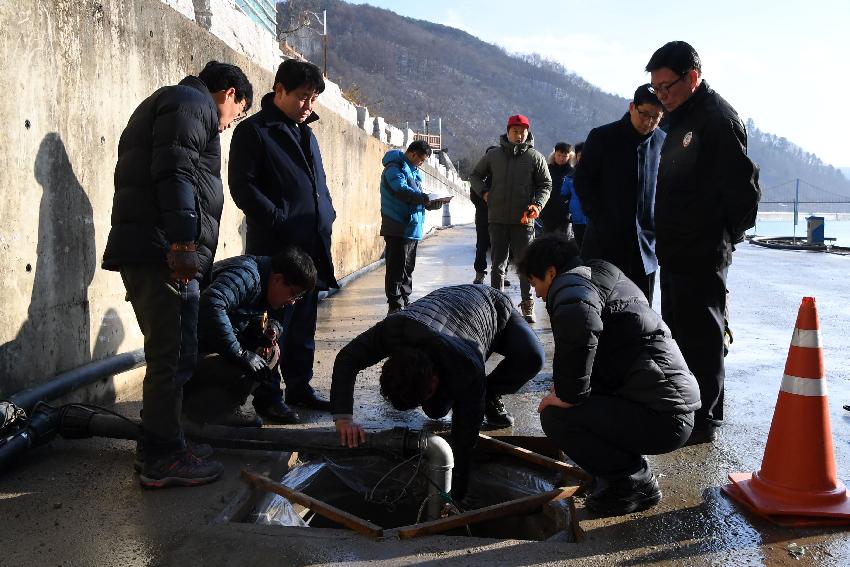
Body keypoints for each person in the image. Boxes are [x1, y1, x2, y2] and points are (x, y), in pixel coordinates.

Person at [102, 61, 253, 488]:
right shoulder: (192, 103)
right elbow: (175, 170)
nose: (229, 126)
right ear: (228, 93)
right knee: (171, 356)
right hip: (164, 252)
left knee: (171, 353)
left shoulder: (168, 102)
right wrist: (184, 244)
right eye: (237, 114)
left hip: (152, 249)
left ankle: (162, 443)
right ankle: (163, 457)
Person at [518, 234, 700, 515]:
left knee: (556, 416)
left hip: (663, 417)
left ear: (551, 272)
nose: (539, 296)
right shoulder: (601, 274)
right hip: (670, 409)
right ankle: (623, 472)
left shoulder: (570, 286)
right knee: (565, 403)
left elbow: (580, 321)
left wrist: (568, 395)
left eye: (535, 284)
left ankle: (631, 484)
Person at [330, 285, 544, 502]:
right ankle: (476, 395)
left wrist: (455, 495)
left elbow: (465, 436)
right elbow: (347, 358)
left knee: (533, 357)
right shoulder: (393, 330)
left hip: (493, 306)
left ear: (433, 379)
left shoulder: (465, 364)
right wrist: (343, 417)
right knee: (437, 410)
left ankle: (490, 395)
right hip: (440, 317)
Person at [646, 41, 760, 445]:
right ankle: (683, 406)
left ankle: (705, 417)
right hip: (674, 248)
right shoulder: (677, 119)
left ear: (692, 77)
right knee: (676, 333)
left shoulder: (718, 120)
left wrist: (724, 239)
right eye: (656, 89)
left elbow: (743, 195)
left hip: (703, 249)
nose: (662, 96)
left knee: (705, 337)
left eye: (667, 87)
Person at [229, 59, 337, 416]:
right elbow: (242, 187)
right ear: (279, 90)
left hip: (311, 245)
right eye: (303, 97)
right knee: (271, 327)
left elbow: (317, 187)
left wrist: (327, 215)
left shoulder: (307, 134)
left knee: (304, 323)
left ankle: (299, 388)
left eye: (314, 99)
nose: (308, 106)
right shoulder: (256, 131)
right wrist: (278, 218)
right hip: (277, 247)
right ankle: (269, 398)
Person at [182, 246, 317, 427]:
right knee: (254, 361)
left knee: (268, 352)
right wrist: (240, 353)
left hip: (200, 351)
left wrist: (270, 331)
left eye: (298, 297)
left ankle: (212, 409)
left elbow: (247, 318)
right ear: (278, 279)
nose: (292, 301)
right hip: (183, 360)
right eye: (293, 293)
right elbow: (212, 303)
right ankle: (194, 411)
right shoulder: (248, 275)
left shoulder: (264, 281)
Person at [573, 84, 666, 304]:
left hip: (645, 248)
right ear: (632, 107)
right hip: (605, 244)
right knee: (601, 309)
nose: (649, 122)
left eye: (656, 117)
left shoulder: (662, 141)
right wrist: (599, 217)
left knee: (641, 312)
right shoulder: (603, 136)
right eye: (645, 114)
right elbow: (583, 181)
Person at [469, 114, 551, 323]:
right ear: (508, 131)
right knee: (498, 264)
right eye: (515, 131)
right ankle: (497, 306)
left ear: (527, 132)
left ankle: (527, 304)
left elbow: (545, 185)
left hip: (524, 221)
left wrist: (537, 205)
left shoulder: (535, 157)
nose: (519, 135)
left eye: (523, 131)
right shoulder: (494, 156)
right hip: (497, 219)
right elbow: (475, 176)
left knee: (525, 266)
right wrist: (485, 193)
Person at [380, 140, 443, 315]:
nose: (422, 164)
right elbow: (400, 190)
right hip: (398, 225)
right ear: (413, 154)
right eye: (421, 159)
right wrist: (424, 198)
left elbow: (417, 198)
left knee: (408, 268)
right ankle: (395, 304)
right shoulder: (395, 168)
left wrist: (432, 203)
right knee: (396, 269)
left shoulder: (413, 173)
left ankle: (405, 300)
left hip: (412, 227)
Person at [539, 142, 574, 234]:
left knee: (563, 243)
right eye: (559, 155)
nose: (561, 158)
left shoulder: (572, 172)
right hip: (546, 213)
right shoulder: (546, 169)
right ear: (554, 155)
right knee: (545, 242)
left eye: (564, 156)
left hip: (564, 216)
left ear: (569, 157)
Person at [565, 142, 588, 249]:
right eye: (580, 155)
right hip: (577, 217)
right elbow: (564, 195)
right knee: (579, 245)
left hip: (593, 218)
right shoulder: (571, 176)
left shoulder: (599, 172)